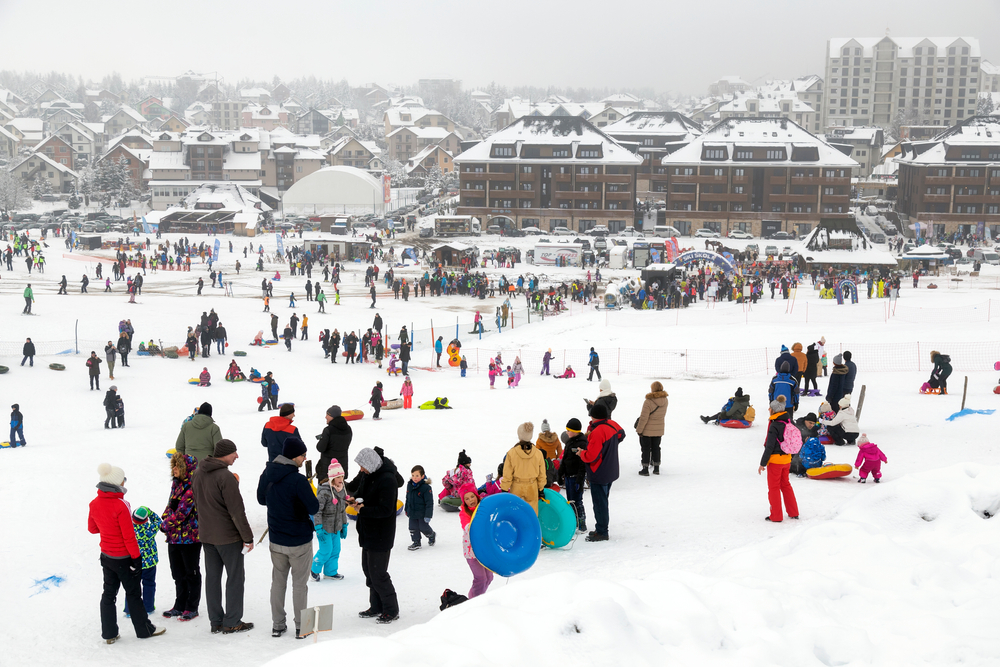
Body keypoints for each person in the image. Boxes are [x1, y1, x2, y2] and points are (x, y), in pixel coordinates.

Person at [88, 462, 166, 643]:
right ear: (117, 483)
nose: (125, 482)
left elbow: (92, 528)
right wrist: (137, 559)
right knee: (133, 594)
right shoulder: (121, 504)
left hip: (106, 556)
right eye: (124, 479)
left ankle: (109, 633)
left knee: (108, 594)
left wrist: (107, 528)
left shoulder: (94, 503)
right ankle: (144, 630)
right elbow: (129, 536)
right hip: (124, 558)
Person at [191, 439, 255, 634]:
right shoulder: (225, 477)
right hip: (228, 537)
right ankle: (232, 621)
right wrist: (248, 537)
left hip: (207, 535)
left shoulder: (198, 472)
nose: (237, 456)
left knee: (212, 578)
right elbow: (236, 511)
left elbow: (197, 502)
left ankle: (216, 621)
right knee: (235, 578)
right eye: (234, 453)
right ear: (225, 453)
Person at [257, 436, 318, 639]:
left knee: (278, 583)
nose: (304, 458)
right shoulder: (298, 480)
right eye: (303, 455)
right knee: (299, 585)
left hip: (276, 539)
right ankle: (302, 627)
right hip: (299, 541)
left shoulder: (268, 473)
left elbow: (261, 499)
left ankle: (278, 625)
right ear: (294, 456)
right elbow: (314, 507)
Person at [350, 447, 401, 624]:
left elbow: (386, 510)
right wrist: (354, 499)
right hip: (367, 531)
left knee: (378, 573)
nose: (361, 470)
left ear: (371, 463)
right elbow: (361, 493)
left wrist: (363, 510)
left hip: (381, 534)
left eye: (362, 466)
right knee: (368, 571)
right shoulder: (368, 474)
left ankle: (391, 609)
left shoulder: (387, 480)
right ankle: (376, 605)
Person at [160, 453, 201, 621]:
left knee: (191, 572)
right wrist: (164, 516)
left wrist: (165, 525)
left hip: (190, 538)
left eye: (179, 466)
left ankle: (192, 606)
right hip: (174, 537)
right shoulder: (176, 484)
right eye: (174, 465)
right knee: (177, 573)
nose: (175, 469)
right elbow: (171, 505)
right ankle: (179, 604)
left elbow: (182, 512)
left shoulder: (193, 487)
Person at [579, 403, 625, 542]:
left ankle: (602, 532)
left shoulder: (598, 432)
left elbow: (591, 456)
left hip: (599, 472)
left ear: (594, 416)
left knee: (600, 503)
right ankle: (601, 528)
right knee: (603, 501)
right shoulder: (612, 425)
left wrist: (582, 453)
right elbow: (621, 434)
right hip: (610, 469)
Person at [758, 395, 799, 522]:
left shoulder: (774, 424)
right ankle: (793, 512)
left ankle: (776, 516)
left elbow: (769, 446)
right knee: (786, 485)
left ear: (773, 410)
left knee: (774, 487)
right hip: (787, 459)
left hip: (775, 461)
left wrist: (762, 463)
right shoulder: (789, 421)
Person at [312, 459, 348, 582]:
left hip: (336, 527)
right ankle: (314, 570)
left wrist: (344, 525)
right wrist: (318, 527)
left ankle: (330, 572)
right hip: (325, 528)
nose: (341, 479)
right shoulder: (324, 492)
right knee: (326, 550)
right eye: (338, 476)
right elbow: (317, 511)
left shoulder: (342, 489)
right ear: (332, 477)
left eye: (342, 476)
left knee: (335, 550)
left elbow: (342, 509)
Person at [501, 423, 547, 514]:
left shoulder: (511, 453)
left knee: (516, 512)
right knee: (531, 513)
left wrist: (504, 489)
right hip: (532, 486)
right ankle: (531, 527)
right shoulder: (538, 453)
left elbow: (507, 474)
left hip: (517, 486)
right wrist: (541, 489)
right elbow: (542, 474)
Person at [124, 506, 161, 618]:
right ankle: (148, 607)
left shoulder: (129, 529)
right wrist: (150, 512)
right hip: (149, 563)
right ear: (145, 519)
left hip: (134, 562)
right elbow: (159, 521)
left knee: (132, 586)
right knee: (149, 584)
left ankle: (129, 609)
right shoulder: (150, 529)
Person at [458, 483, 493, 598]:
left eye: (472, 496)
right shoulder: (464, 512)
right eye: (466, 499)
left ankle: (477, 596)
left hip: (485, 550)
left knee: (489, 577)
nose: (470, 500)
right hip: (472, 552)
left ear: (476, 496)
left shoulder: (483, 507)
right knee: (481, 578)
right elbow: (466, 526)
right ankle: (473, 601)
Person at [557, 419, 589, 532]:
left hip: (576, 477)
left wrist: (580, 480)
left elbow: (582, 464)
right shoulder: (569, 442)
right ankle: (574, 522)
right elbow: (564, 459)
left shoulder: (581, 444)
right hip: (568, 476)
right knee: (570, 501)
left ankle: (582, 523)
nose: (567, 433)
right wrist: (560, 473)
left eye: (568, 430)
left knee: (577, 501)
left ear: (575, 431)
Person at [635, 381, 668, 476]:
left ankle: (645, 469)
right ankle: (656, 468)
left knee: (645, 448)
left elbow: (644, 418)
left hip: (647, 429)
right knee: (656, 448)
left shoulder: (648, 401)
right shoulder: (665, 400)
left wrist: (639, 430)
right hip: (659, 429)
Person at [404, 465, 435, 550]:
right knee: (412, 528)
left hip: (422, 513)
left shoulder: (426, 488)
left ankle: (431, 535)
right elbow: (408, 498)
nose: (414, 478)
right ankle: (416, 542)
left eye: (417, 476)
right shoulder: (409, 485)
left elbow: (429, 503)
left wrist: (428, 515)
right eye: (413, 475)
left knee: (423, 527)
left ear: (422, 476)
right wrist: (407, 509)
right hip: (412, 512)